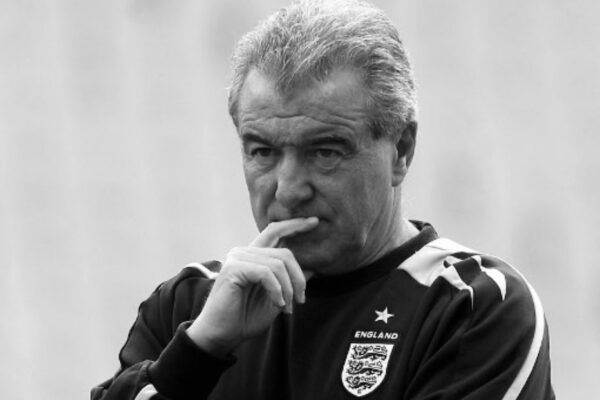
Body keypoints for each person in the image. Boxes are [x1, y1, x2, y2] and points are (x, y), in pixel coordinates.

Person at [92, 0, 554, 399]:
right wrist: (199, 351)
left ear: (401, 149)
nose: (288, 188)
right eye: (263, 151)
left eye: (325, 152)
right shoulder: (189, 306)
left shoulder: (473, 308)